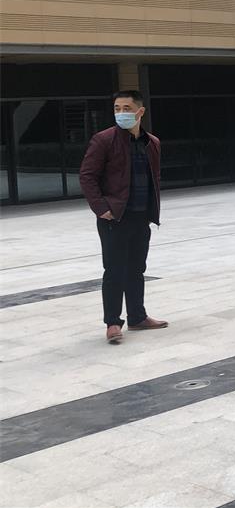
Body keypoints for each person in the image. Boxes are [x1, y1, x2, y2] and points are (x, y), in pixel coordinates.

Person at [79, 90, 167, 344]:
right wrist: (101, 208)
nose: (121, 113)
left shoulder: (152, 142)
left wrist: (151, 210)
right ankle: (113, 323)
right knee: (115, 270)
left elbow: (153, 177)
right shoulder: (103, 140)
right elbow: (87, 176)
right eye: (117, 108)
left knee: (137, 268)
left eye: (126, 108)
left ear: (140, 111)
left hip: (141, 217)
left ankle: (137, 316)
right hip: (114, 218)